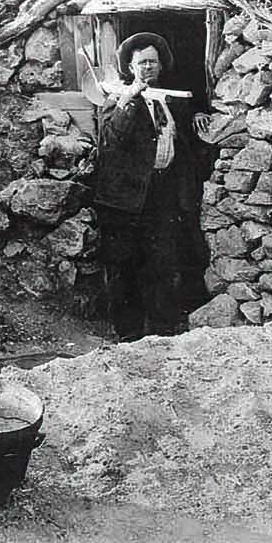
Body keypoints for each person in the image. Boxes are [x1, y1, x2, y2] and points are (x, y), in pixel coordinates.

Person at [93, 32, 210, 340]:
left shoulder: (170, 98)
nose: (148, 68)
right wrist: (129, 101)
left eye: (153, 62)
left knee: (162, 263)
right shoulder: (116, 99)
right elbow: (112, 141)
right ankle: (129, 333)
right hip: (125, 199)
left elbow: (186, 130)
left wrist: (198, 111)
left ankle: (163, 330)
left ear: (161, 66)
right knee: (125, 267)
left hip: (163, 194)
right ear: (130, 67)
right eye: (142, 62)